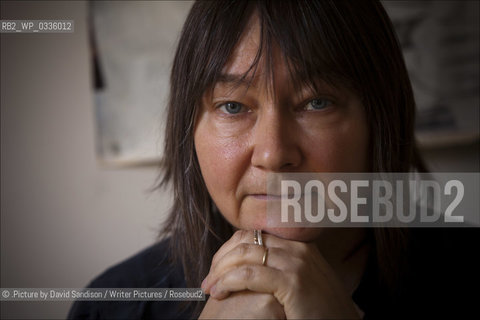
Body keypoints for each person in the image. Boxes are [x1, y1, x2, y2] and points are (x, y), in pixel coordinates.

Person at [68, 1, 479, 319]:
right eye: (231, 106)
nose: (272, 153)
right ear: (187, 131)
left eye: (316, 103)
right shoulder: (113, 306)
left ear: (380, 117)